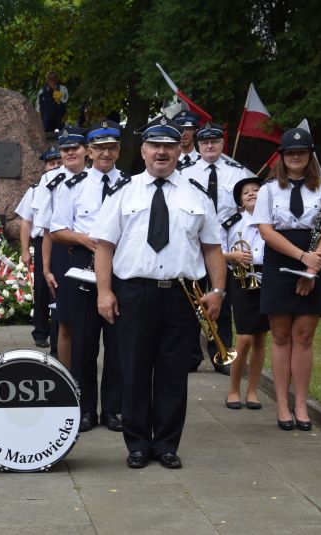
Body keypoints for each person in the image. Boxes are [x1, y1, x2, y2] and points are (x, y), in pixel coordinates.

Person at [92, 116, 226, 469]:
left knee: (173, 373)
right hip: (134, 293)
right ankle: (137, 443)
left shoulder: (196, 195)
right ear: (143, 150)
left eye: (169, 146)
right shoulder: (123, 192)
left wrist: (217, 290)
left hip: (182, 295)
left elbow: (212, 248)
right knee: (134, 371)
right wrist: (104, 292)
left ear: (180, 150)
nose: (161, 152)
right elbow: (104, 246)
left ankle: (166, 444)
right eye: (155, 146)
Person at [252, 127, 321, 431]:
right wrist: (302, 258)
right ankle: (282, 405)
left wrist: (312, 270)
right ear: (283, 156)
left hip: (315, 261)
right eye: (290, 153)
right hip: (280, 261)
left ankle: (301, 405)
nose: (296, 157)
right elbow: (266, 231)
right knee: (280, 335)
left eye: (301, 152)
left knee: (304, 335)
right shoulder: (267, 190)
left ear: (310, 155)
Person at [50, 120, 125, 433]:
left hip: (120, 264)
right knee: (82, 342)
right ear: (89, 151)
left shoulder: (130, 185)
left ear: (118, 150)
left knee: (117, 342)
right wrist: (84, 239)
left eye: (112, 148)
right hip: (83, 262)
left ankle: (113, 409)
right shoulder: (72, 186)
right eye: (100, 148)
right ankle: (84, 409)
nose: (106, 154)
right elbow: (56, 230)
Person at [181, 122, 249, 375]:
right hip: (194, 244)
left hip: (224, 243)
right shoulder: (184, 172)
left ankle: (221, 356)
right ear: (198, 145)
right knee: (192, 301)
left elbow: (246, 208)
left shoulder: (237, 173)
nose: (209, 146)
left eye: (215, 142)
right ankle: (191, 356)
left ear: (222, 144)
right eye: (205, 142)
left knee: (222, 301)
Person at [37, 127, 89, 371]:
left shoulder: (98, 178)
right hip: (61, 251)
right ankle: (65, 371)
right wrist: (46, 268)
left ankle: (83, 367)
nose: (69, 153)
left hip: (92, 251)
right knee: (63, 317)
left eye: (74, 148)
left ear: (86, 150)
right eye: (65, 149)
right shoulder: (50, 180)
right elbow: (47, 229)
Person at [222, 176, 269, 410]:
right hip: (241, 280)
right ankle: (233, 390)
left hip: (267, 280)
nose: (251, 193)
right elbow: (216, 251)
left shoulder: (272, 221)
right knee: (245, 337)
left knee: (261, 338)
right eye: (246, 192)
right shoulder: (232, 223)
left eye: (256, 190)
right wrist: (233, 256)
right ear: (240, 201)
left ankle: (252, 390)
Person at [15, 146, 61, 349]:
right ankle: (41, 331)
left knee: (60, 289)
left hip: (64, 242)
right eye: (52, 163)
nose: (56, 167)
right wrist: (25, 250)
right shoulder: (35, 190)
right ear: (45, 166)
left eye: (59, 163)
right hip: (43, 241)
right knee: (42, 289)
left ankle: (59, 332)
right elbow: (26, 222)